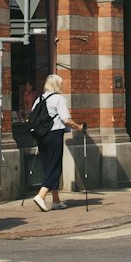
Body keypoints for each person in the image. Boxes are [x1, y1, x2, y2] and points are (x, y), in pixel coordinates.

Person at [32, 72, 81, 211]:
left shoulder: (39, 99)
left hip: (41, 136)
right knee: (56, 167)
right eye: (61, 84)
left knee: (48, 166)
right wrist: (79, 127)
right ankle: (41, 196)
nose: (62, 86)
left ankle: (56, 201)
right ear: (57, 85)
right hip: (54, 135)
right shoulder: (59, 99)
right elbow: (66, 120)